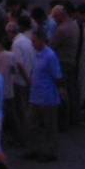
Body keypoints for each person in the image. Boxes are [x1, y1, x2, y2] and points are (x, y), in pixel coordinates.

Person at [25, 32, 62, 162]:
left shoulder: (50, 56)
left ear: (41, 40)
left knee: (49, 126)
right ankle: (34, 149)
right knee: (32, 124)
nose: (32, 44)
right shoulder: (37, 54)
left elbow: (57, 75)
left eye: (34, 41)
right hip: (35, 96)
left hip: (47, 97)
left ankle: (50, 152)